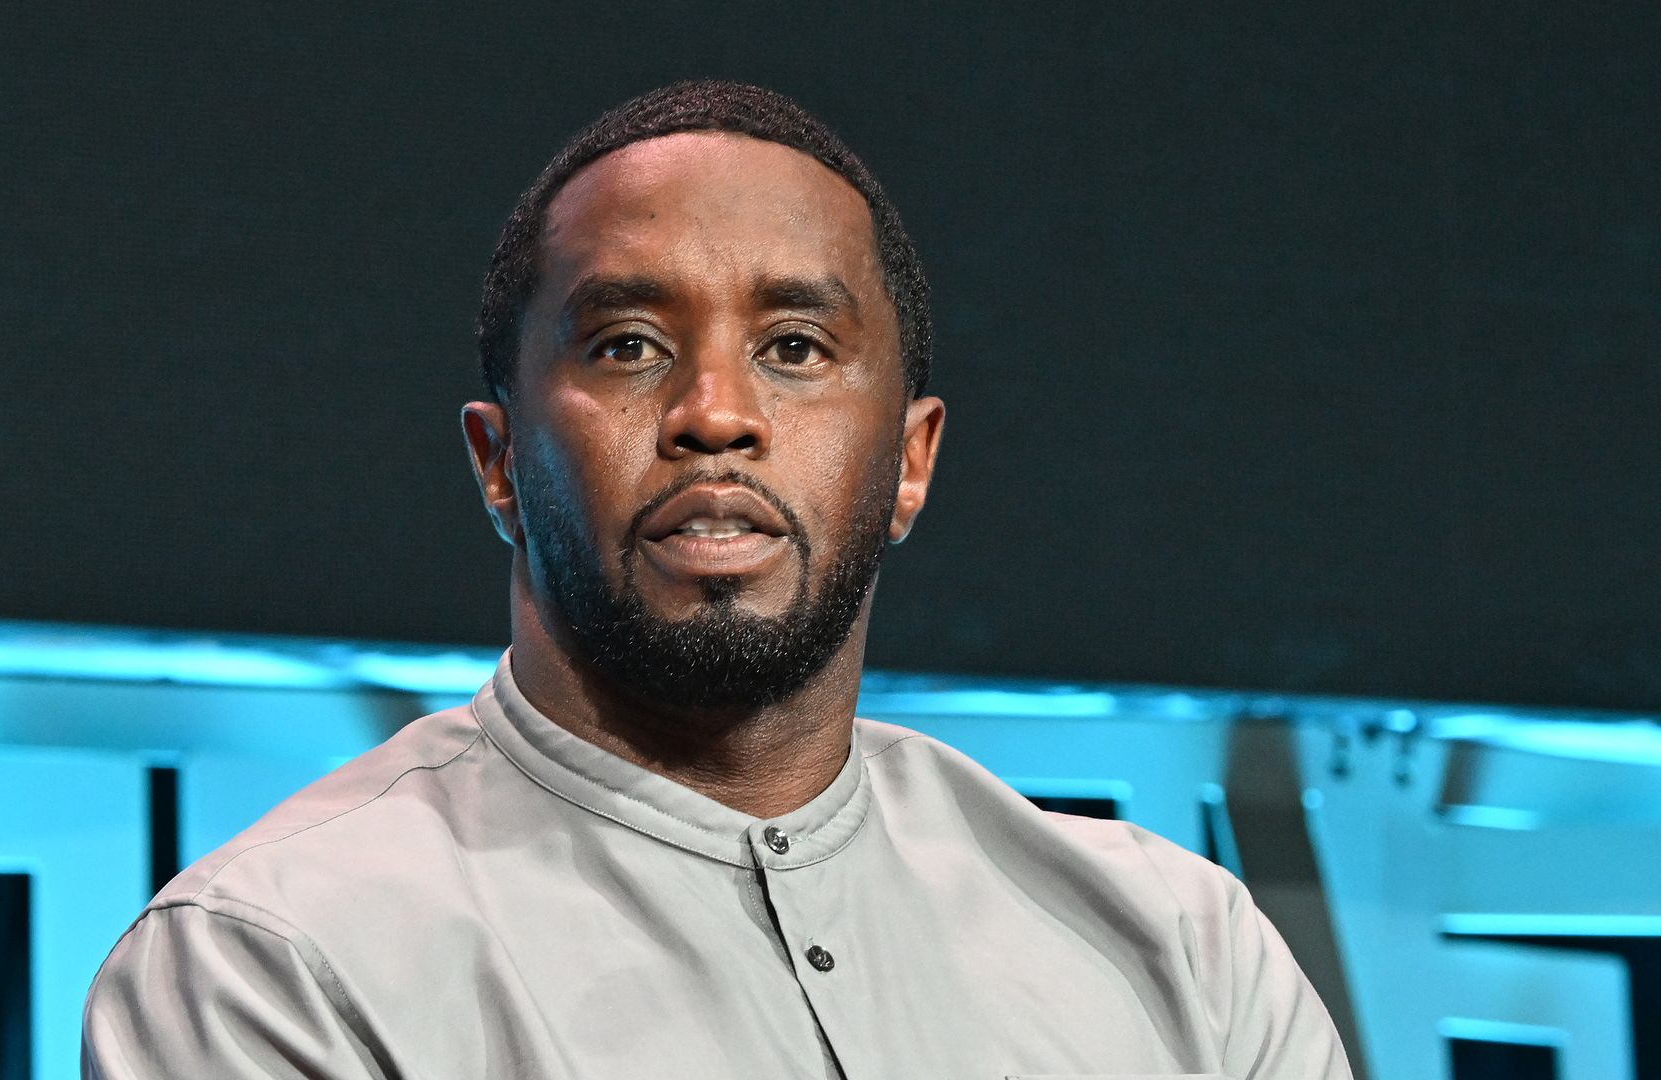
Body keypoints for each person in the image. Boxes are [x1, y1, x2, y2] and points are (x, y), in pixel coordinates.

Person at [82, 80, 1352, 1080]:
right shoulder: (276, 959)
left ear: (909, 462)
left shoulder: (1183, 950)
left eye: (796, 347)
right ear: (500, 460)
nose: (715, 414)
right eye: (629, 346)